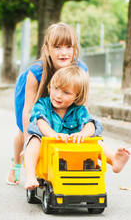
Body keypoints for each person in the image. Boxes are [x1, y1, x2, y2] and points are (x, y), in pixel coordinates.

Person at [24, 64, 131, 190]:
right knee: (34, 140)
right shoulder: (42, 104)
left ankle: (114, 159)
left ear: (77, 96)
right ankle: (30, 176)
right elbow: (40, 121)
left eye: (66, 92)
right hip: (47, 148)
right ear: (50, 86)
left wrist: (83, 134)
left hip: (74, 150)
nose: (58, 95)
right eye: (56, 88)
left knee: (95, 140)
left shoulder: (78, 110)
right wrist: (52, 134)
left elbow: (90, 124)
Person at [7, 22, 89, 185]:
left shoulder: (82, 71)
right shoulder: (35, 73)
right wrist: (29, 142)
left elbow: (83, 107)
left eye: (68, 47)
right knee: (26, 132)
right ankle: (16, 162)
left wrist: (82, 134)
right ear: (47, 49)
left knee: (61, 126)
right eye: (57, 47)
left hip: (62, 96)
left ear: (75, 49)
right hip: (35, 95)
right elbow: (28, 111)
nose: (63, 52)